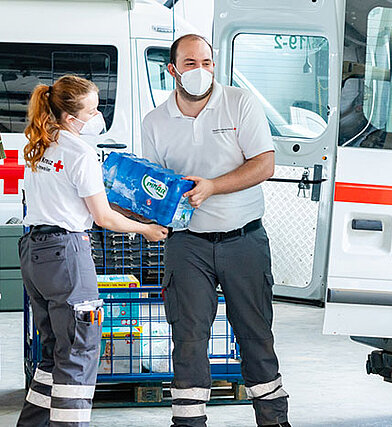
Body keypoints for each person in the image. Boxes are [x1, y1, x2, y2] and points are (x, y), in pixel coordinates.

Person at [141, 34, 289, 427]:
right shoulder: (155, 122)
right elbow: (154, 187)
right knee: (188, 338)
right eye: (190, 63)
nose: (200, 71)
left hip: (244, 239)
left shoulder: (239, 103)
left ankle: (274, 420)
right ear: (172, 70)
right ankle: (188, 422)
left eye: (206, 62)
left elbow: (264, 165)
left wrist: (212, 186)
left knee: (256, 335)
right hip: (187, 245)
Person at [17, 75, 168, 427]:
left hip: (34, 253)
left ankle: (33, 424)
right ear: (72, 118)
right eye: (93, 109)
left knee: (56, 349)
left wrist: (128, 213)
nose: (98, 115)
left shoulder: (40, 144)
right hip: (67, 254)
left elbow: (77, 200)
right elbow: (102, 217)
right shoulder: (80, 151)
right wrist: (146, 229)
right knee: (80, 350)